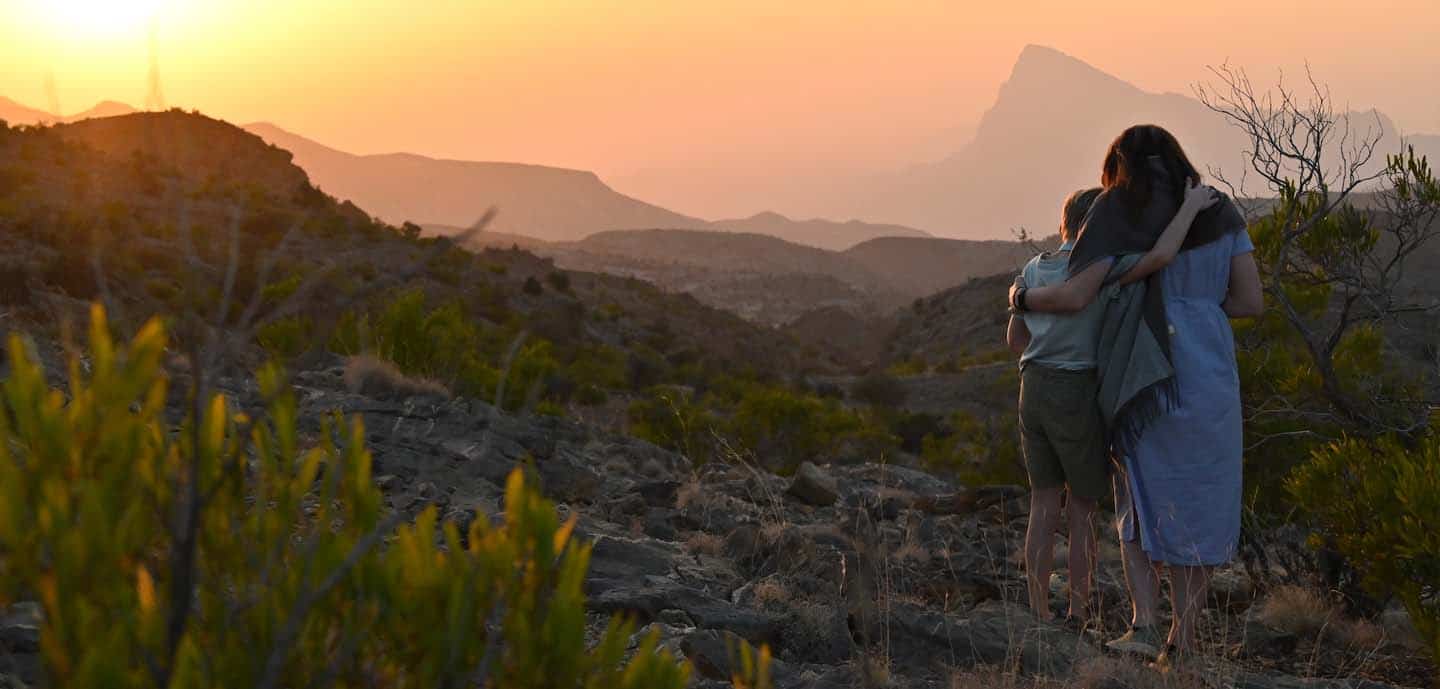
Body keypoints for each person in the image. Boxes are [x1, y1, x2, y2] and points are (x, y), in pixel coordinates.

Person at [1009, 124, 1264, 669]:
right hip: (1209, 367)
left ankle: (1144, 623)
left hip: (1140, 368)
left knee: (1140, 497)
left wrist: (1023, 297)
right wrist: (1201, 307)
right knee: (1199, 495)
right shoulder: (1219, 212)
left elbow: (1080, 291)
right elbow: (1250, 301)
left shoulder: (1115, 211)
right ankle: (1185, 637)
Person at [1007, 181, 1221, 628]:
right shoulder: (1100, 269)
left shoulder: (1032, 268)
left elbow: (1015, 340)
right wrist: (1192, 206)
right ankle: (1078, 611)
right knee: (1083, 507)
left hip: (1032, 386)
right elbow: (1161, 256)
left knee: (1043, 503)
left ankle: (1037, 610)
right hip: (1074, 388)